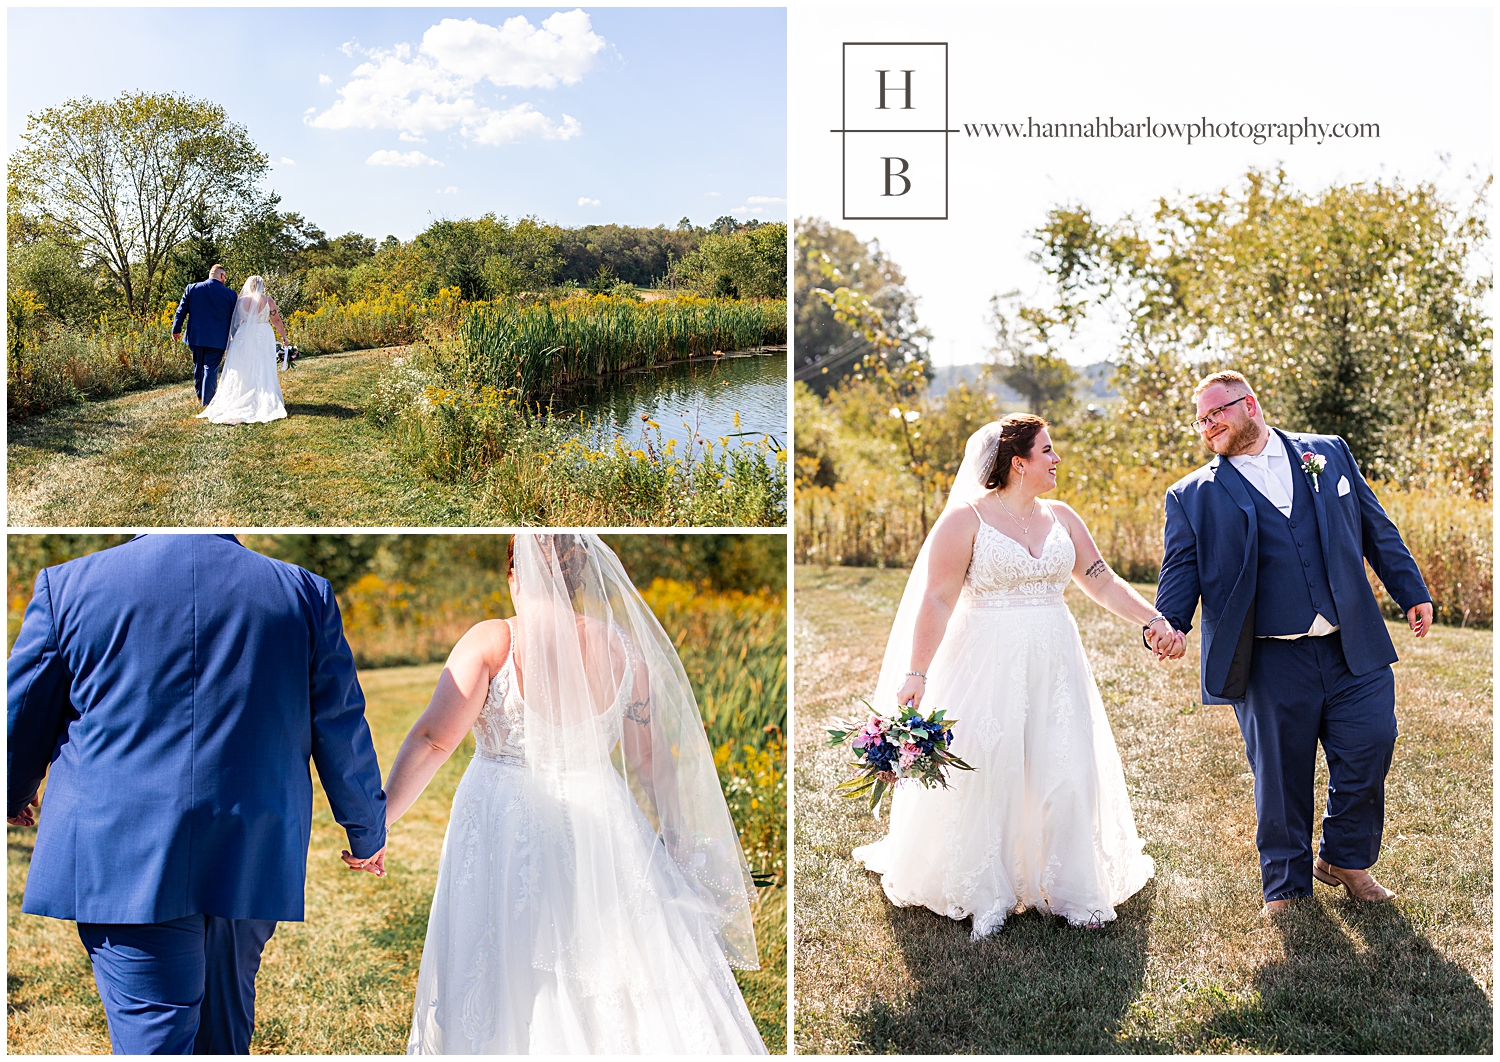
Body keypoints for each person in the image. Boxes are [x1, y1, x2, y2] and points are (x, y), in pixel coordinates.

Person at [6, 534, 389, 1054]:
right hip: (249, 849)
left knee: (154, 1038)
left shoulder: (70, 585)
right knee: (225, 1035)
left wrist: (12, 790)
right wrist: (365, 828)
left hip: (122, 853)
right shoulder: (302, 592)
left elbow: (25, 707)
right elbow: (340, 723)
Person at [385, 534, 767, 1054]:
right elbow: (650, 759)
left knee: (508, 957)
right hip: (602, 817)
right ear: (582, 577)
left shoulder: (493, 641)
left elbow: (434, 739)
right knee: (619, 956)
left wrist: (379, 820)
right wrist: (677, 836)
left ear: (514, 576)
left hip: (504, 820)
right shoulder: (621, 649)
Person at [852, 414, 1162, 939]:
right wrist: (917, 672)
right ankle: (985, 888)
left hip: (1055, 660)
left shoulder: (1063, 517)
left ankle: (1069, 888)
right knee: (989, 768)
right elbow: (937, 598)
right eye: (1047, 451)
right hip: (986, 660)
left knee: (1065, 764)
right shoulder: (965, 520)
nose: (1056, 458)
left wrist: (1152, 620)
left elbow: (1101, 581)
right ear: (1018, 463)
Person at [1154, 370, 1432, 914]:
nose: (1207, 426)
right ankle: (1285, 885)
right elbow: (1180, 572)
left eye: (1217, 414)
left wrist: (1410, 589)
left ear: (1249, 405)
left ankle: (1345, 859)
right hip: (1268, 659)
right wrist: (1169, 624)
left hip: (1351, 644)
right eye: (1200, 420)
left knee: (1371, 748)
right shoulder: (1193, 495)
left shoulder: (1327, 453)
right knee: (1280, 776)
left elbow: (1375, 526)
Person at [197, 275, 289, 425]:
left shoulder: (240, 301)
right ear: (261, 286)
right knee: (263, 364)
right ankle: (263, 395)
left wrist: (233, 338)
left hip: (244, 334)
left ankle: (242, 394)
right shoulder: (268, 300)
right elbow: (276, 320)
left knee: (244, 366)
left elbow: (235, 321)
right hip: (263, 334)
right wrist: (284, 337)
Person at [172, 264, 238, 406]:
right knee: (210, 368)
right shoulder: (230, 294)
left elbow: (181, 310)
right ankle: (207, 401)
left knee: (198, 366)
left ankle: (200, 397)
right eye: (224, 276)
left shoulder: (192, 288)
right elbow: (234, 318)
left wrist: (176, 329)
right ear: (221, 276)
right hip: (217, 338)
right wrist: (235, 336)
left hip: (196, 336)